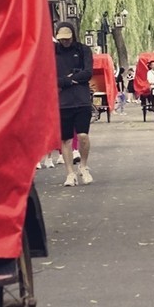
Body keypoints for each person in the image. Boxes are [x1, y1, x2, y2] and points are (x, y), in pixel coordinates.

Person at [54, 22, 95, 186]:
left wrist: (69, 79)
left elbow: (88, 73)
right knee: (66, 139)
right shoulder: (53, 52)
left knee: (83, 135)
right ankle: (69, 173)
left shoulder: (83, 50)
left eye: (67, 38)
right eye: (62, 39)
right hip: (63, 101)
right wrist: (68, 80)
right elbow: (49, 75)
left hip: (82, 99)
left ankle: (83, 166)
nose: (65, 42)